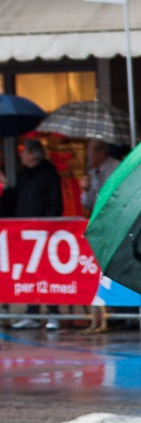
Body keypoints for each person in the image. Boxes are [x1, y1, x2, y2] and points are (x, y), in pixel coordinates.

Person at [0, 139, 63, 330]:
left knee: (47, 274)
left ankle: (53, 314)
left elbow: (55, 203)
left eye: (24, 151)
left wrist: (49, 225)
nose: (20, 155)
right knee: (30, 274)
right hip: (24, 234)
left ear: (34, 154)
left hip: (45, 233)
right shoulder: (24, 175)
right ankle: (32, 314)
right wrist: (4, 186)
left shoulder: (49, 174)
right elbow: (12, 202)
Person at [80, 140, 120, 333]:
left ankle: (117, 314)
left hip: (113, 225)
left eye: (91, 153)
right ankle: (101, 317)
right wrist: (85, 190)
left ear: (101, 152)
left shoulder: (115, 167)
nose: (88, 158)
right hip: (98, 225)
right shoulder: (92, 173)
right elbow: (88, 204)